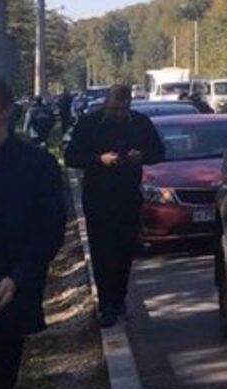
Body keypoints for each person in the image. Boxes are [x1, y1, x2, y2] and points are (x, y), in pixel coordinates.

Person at [0, 77, 67, 389]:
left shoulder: (35, 166)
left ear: (4, 111)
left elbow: (49, 229)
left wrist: (17, 277)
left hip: (4, 303)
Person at [64, 85, 164, 328]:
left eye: (122, 109)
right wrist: (99, 160)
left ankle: (119, 300)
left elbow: (158, 152)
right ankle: (106, 305)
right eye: (114, 109)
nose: (118, 113)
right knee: (102, 252)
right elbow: (71, 157)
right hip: (98, 197)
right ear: (106, 104)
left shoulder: (140, 123)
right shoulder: (89, 123)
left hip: (128, 195)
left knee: (124, 251)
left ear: (129, 105)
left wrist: (140, 156)